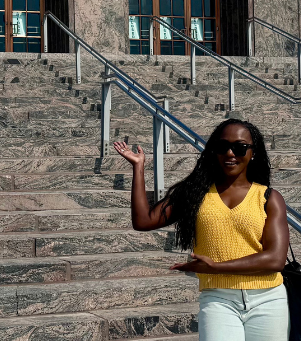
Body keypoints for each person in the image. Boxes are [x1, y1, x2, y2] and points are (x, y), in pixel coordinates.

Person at [114, 119, 290, 341]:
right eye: (221, 146)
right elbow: (143, 220)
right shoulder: (195, 194)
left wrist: (217, 267)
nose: (230, 153)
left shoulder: (268, 197)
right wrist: (138, 167)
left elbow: (275, 260)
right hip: (218, 300)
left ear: (253, 152)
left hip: (268, 300)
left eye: (240, 147)